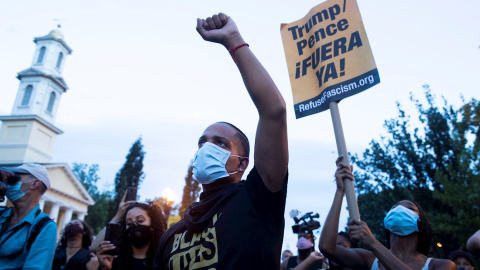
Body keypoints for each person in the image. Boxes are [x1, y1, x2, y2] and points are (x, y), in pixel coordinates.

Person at [153, 12, 288, 270]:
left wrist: (233, 40)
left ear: (241, 164)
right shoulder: (172, 236)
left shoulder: (257, 201)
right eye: (202, 142)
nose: (206, 148)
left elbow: (274, 111)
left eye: (220, 143)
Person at [319, 156, 456, 270]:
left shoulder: (442, 265)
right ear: (387, 221)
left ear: (420, 224)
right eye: (394, 207)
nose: (399, 210)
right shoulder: (369, 259)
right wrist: (340, 191)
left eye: (409, 208)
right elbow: (327, 247)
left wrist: (373, 243)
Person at [0, 163, 57, 269]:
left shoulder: (44, 227)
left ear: (34, 183)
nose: (8, 181)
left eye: (15, 177)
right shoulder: (2, 214)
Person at [96, 201, 167, 270]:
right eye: (129, 223)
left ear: (153, 225)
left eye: (140, 220)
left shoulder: (164, 260)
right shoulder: (112, 259)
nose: (133, 225)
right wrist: (105, 268)